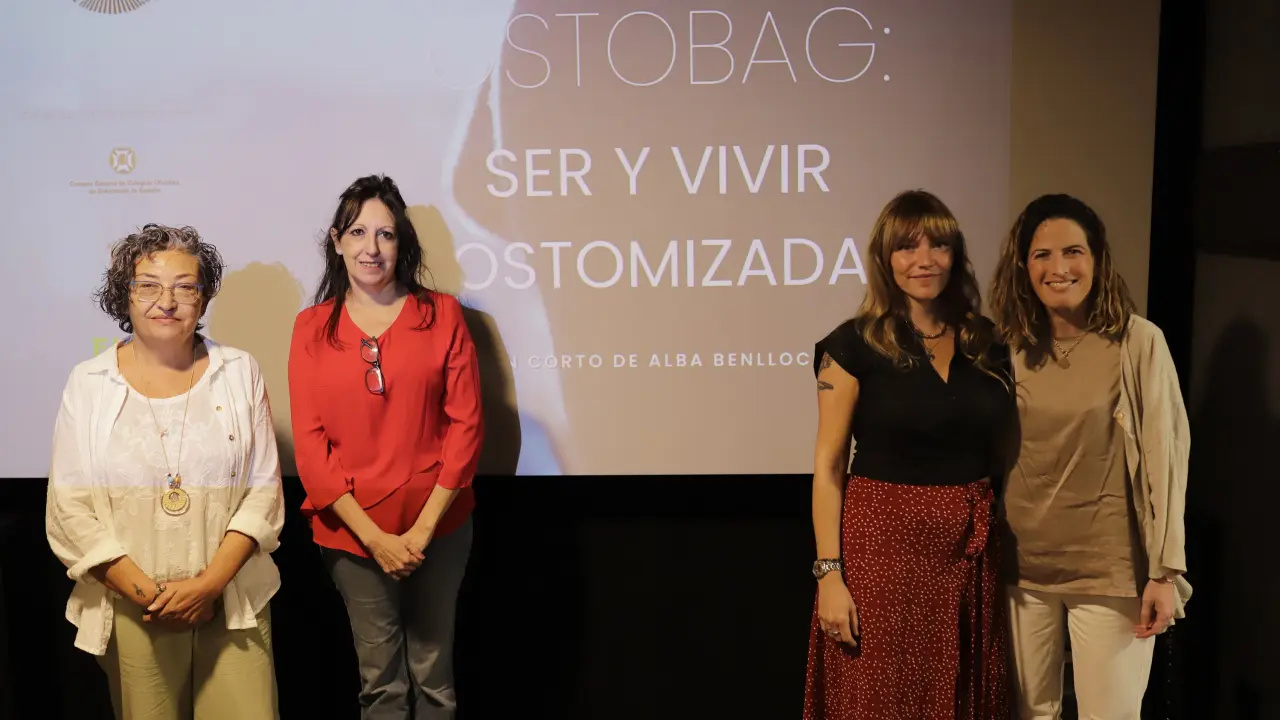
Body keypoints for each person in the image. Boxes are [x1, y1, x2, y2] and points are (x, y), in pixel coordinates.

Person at [45, 223, 285, 720]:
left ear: (204, 297)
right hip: (135, 607)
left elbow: (263, 491)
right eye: (148, 286)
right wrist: (152, 597)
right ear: (124, 295)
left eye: (185, 286)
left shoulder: (239, 371)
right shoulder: (89, 383)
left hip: (231, 598)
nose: (167, 301)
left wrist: (208, 587)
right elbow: (69, 508)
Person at [803, 190, 1014, 719]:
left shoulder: (988, 344)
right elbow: (828, 468)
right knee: (883, 697)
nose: (924, 259)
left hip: (969, 552)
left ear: (955, 255)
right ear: (884, 258)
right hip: (883, 552)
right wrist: (830, 575)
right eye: (907, 247)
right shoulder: (850, 346)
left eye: (938, 245)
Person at [988, 193, 1191, 719]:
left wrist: (1164, 573)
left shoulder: (1138, 341)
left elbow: (1168, 460)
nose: (1059, 268)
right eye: (1042, 255)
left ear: (1097, 259)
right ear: (1023, 266)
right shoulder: (1007, 346)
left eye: (1073, 252)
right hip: (1021, 571)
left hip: (1111, 571)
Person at [288, 174, 483, 720]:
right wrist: (375, 540)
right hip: (353, 534)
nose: (371, 248)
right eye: (357, 232)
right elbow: (311, 448)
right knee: (382, 687)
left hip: (439, 527)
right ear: (337, 242)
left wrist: (421, 532)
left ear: (401, 243)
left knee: (435, 680)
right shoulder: (310, 328)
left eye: (385, 234)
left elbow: (467, 426)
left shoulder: (442, 314)